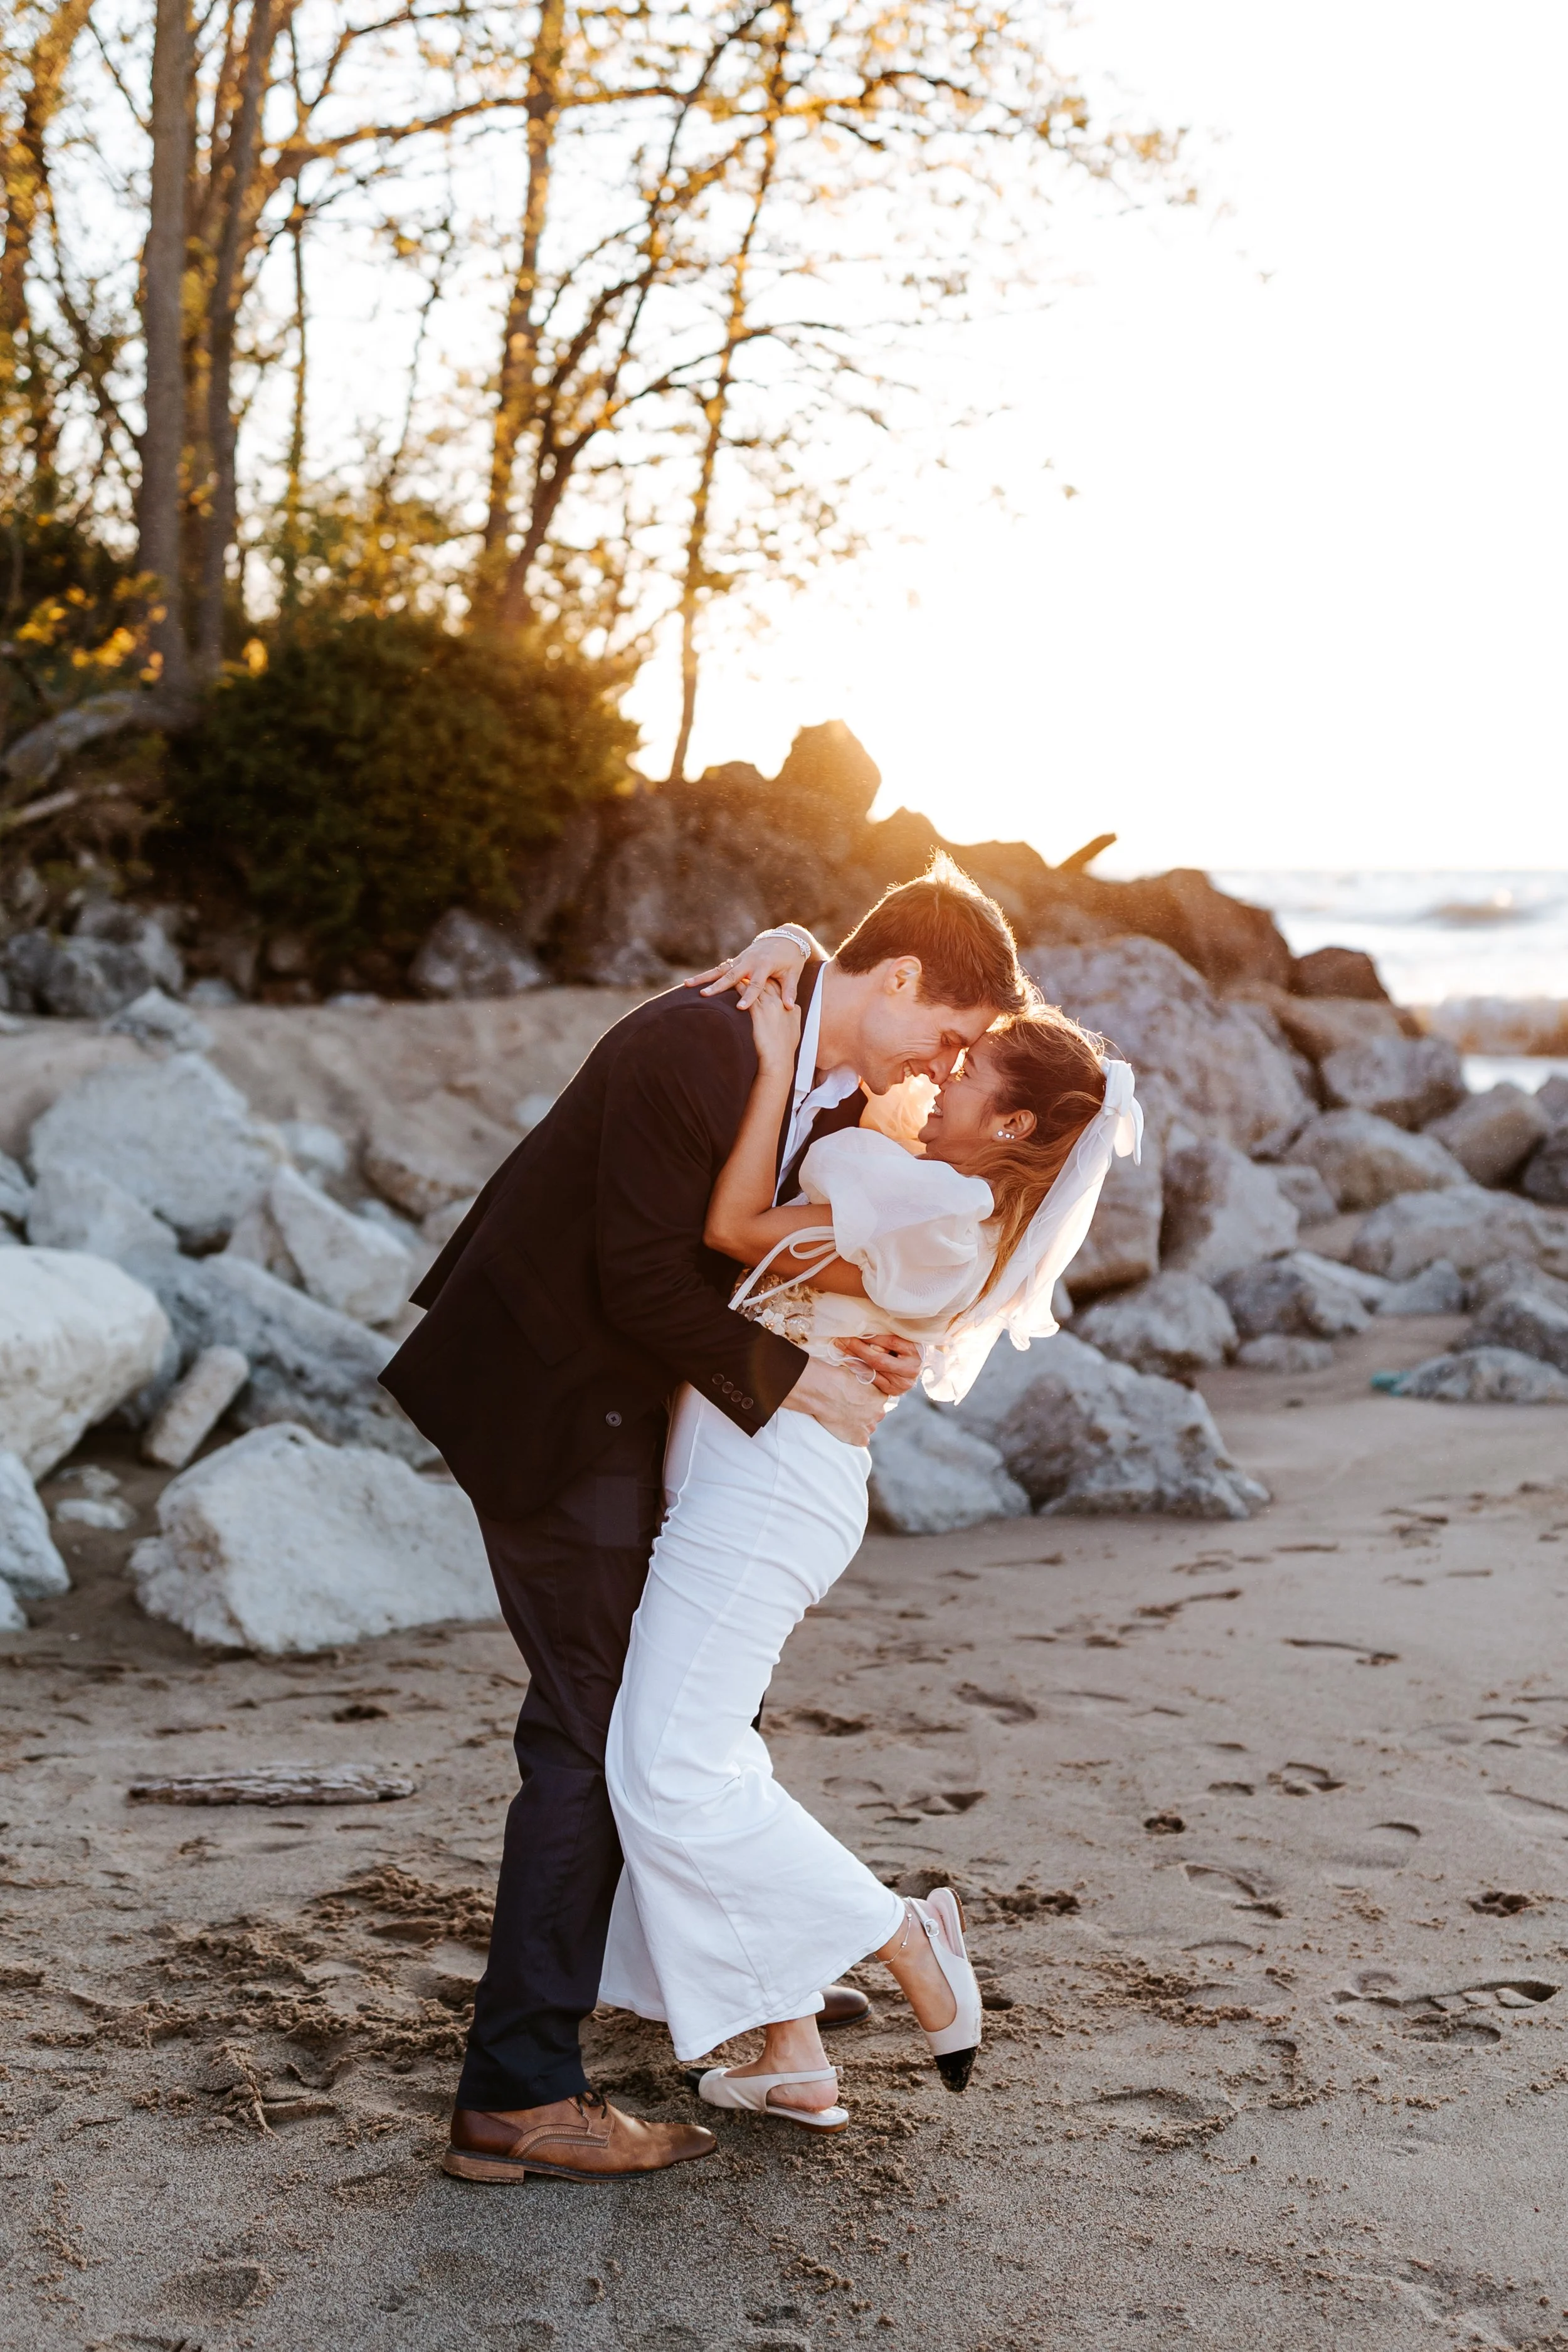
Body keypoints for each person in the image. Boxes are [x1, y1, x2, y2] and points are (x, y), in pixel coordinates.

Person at [379, 854, 1031, 2184]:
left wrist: (863, 1336)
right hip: (555, 1404)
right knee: (591, 1738)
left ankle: (752, 1992)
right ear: (898, 979)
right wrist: (810, 1382)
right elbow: (635, 1283)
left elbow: (781, 1248)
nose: (946, 1064)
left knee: (646, 1728)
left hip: (631, 1414)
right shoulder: (702, 1043)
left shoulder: (813, 1059)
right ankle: (518, 2093)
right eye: (951, 1035)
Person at [598, 978, 1140, 2125]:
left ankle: (901, 1933)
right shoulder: (939, 1204)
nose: (941, 1078)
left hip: (769, 1485)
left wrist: (774, 1056)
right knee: (698, 1754)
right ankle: (788, 2052)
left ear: (1015, 1128)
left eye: (970, 1072)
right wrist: (793, 961)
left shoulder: (926, 1201)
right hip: (752, 1475)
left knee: (668, 1765)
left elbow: (739, 1227)